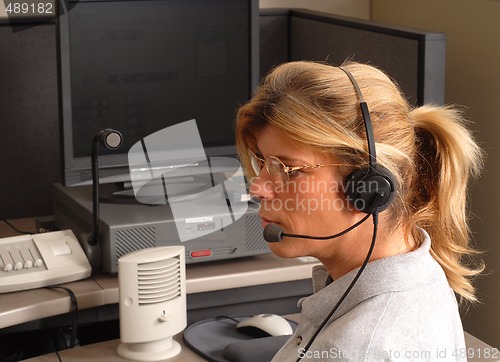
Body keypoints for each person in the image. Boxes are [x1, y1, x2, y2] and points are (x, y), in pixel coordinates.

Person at [234, 61, 484, 361]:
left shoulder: (356, 350)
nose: (259, 187)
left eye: (287, 169)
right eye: (263, 162)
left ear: (368, 187)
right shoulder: (417, 268)